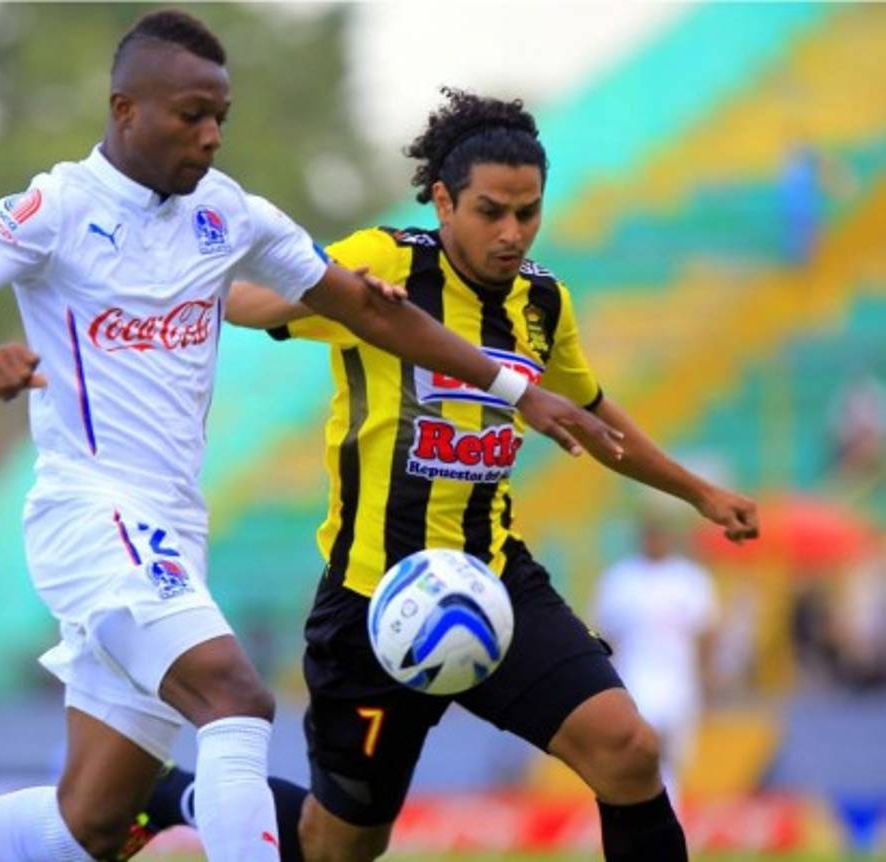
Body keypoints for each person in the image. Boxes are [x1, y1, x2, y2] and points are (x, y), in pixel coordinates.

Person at [0, 14, 621, 862]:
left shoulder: (228, 216)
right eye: (190, 115)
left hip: (170, 528)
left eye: (220, 118)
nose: (211, 136)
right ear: (126, 110)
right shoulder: (55, 207)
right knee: (235, 697)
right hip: (93, 515)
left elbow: (373, 311)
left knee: (87, 822)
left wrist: (511, 387)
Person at [174, 90, 757, 862]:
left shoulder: (543, 302)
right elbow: (246, 302)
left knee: (628, 750)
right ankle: (176, 795)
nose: (512, 233)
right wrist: (344, 299)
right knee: (339, 844)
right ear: (444, 200)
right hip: (369, 607)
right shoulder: (384, 263)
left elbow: (591, 413)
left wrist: (699, 492)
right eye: (491, 211)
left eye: (529, 212)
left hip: (496, 586)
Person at [593, 517, 719, 798]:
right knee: (640, 751)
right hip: (634, 678)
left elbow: (706, 632)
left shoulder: (690, 580)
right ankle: (649, 817)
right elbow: (605, 636)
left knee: (675, 755)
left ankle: (669, 812)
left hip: (679, 680)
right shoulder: (619, 579)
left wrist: (707, 676)